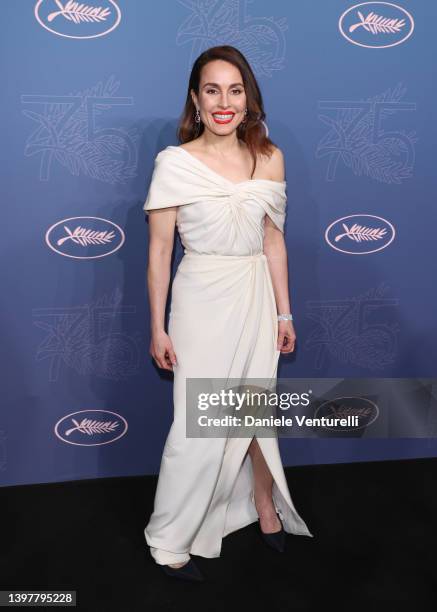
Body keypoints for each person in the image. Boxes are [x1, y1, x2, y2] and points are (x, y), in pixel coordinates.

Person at [143, 45, 313, 582]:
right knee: (197, 427)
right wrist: (157, 324)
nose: (223, 102)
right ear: (196, 99)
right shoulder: (175, 163)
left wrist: (285, 315)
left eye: (234, 90)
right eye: (212, 90)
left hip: (256, 296)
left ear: (248, 99)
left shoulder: (271, 157)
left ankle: (265, 508)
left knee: (254, 413)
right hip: (199, 299)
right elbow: (160, 253)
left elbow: (274, 244)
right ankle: (167, 538)